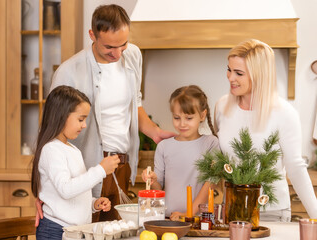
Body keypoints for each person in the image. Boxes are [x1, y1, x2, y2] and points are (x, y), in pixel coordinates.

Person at [37, 4, 175, 223]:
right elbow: (50, 128)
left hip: (122, 164)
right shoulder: (69, 71)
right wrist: (41, 191)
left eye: (123, 44)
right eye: (110, 47)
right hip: (88, 166)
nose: (118, 53)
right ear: (92, 35)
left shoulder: (133, 56)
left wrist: (154, 132)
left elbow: (134, 104)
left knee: (119, 233)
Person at [214, 39, 317, 221]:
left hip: (272, 212)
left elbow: (296, 169)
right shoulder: (222, 107)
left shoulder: (284, 113)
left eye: (239, 73)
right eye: (229, 70)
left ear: (259, 75)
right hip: (232, 209)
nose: (231, 78)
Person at [31, 86, 120, 239]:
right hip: (56, 231)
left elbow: (75, 192)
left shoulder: (72, 150)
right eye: (80, 119)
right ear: (61, 116)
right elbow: (66, 189)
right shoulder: (51, 150)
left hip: (73, 231)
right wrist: (100, 170)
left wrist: (93, 204)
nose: (84, 125)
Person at [142, 85, 219, 220]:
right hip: (167, 218)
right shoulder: (163, 146)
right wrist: (152, 179)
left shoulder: (211, 144)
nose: (182, 124)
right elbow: (158, 188)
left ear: (202, 115)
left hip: (197, 220)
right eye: (177, 118)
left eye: (188, 118)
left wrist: (188, 214)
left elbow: (210, 184)